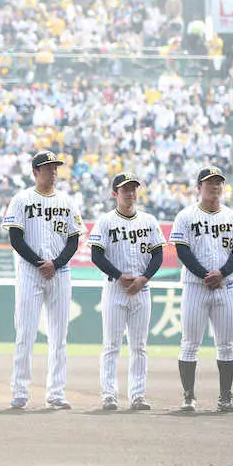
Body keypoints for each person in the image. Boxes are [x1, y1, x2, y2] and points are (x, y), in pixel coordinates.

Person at [5, 150, 85, 410]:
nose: (53, 171)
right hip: (30, 272)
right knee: (25, 333)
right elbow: (15, 238)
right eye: (48, 167)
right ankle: (20, 391)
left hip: (60, 273)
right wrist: (40, 263)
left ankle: (56, 393)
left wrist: (56, 263)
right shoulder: (21, 199)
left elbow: (74, 239)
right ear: (35, 172)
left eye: (55, 167)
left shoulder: (67, 201)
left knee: (59, 337)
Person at [169, 166, 233, 413]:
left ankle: (225, 397)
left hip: (225, 286)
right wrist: (205, 274)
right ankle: (188, 397)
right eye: (209, 182)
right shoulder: (186, 215)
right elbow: (183, 251)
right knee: (190, 343)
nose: (215, 186)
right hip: (195, 286)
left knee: (226, 344)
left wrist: (221, 273)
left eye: (218, 182)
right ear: (198, 188)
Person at [89, 173, 165, 411]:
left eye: (133, 189)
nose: (130, 193)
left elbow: (158, 255)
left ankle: (137, 396)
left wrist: (143, 279)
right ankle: (109, 395)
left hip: (142, 290)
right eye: (125, 189)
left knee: (139, 346)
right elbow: (96, 255)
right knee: (111, 345)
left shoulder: (149, 221)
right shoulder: (105, 221)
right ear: (115, 194)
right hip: (115, 289)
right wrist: (119, 275)